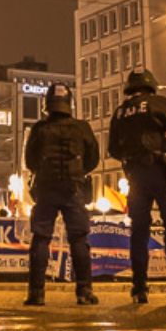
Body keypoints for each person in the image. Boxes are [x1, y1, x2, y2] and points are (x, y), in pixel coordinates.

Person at [108, 69, 166, 303]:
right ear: (151, 86)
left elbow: (113, 149)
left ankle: (139, 287)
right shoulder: (158, 103)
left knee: (139, 231)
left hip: (135, 176)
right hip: (161, 170)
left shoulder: (120, 113)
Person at [23, 81, 99, 307]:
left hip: (46, 188)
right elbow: (93, 158)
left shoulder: (39, 128)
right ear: (69, 104)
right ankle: (84, 291)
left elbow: (30, 160)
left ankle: (36, 292)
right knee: (79, 239)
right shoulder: (81, 128)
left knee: (41, 238)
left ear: (48, 104)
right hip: (73, 188)